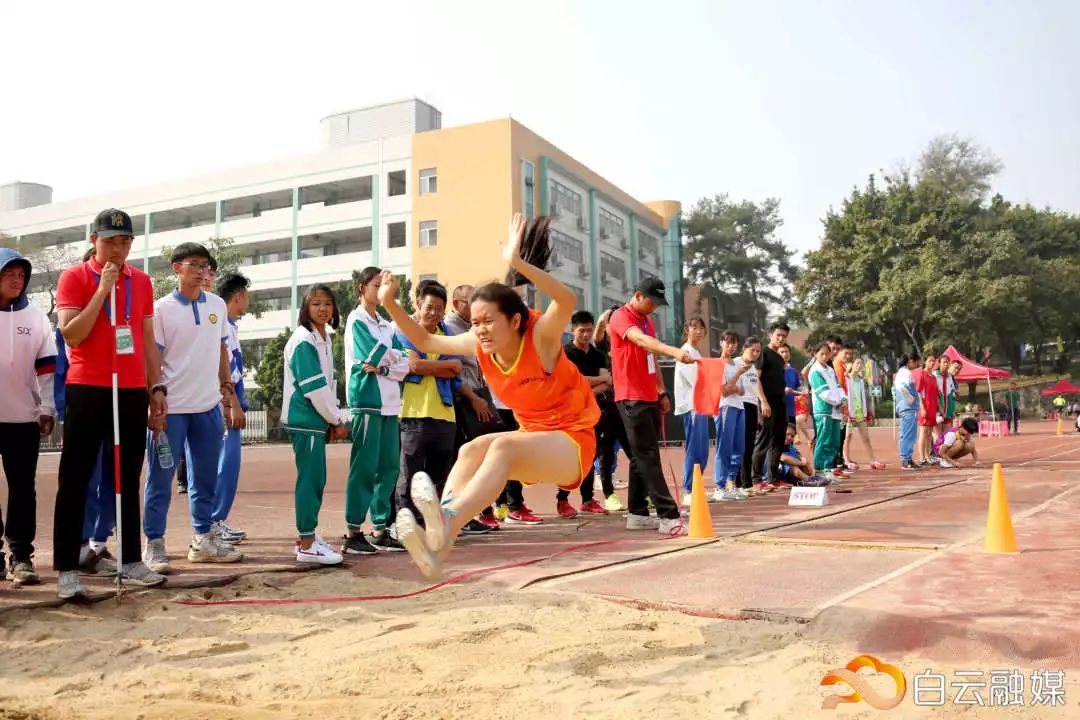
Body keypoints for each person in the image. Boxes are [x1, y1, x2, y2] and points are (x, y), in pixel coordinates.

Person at [378, 214, 613, 578]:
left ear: (515, 321)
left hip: (572, 443)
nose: (480, 330)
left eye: (488, 321)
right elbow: (425, 341)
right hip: (534, 436)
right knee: (471, 449)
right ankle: (440, 539)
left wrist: (518, 263)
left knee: (500, 448)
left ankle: (448, 519)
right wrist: (390, 303)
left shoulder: (541, 338)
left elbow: (567, 298)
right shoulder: (480, 344)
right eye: (475, 322)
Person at [54, 208, 166, 599]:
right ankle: (68, 567)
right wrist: (102, 290)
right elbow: (73, 335)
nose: (118, 248)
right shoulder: (74, 277)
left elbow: (147, 339)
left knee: (127, 475)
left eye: (125, 241)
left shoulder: (142, 281)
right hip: (88, 386)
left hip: (132, 387)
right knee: (76, 477)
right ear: (94, 241)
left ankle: (132, 559)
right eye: (110, 240)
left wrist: (156, 389)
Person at [142, 242, 241, 573]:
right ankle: (154, 543)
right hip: (171, 409)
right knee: (160, 478)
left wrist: (226, 392)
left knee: (204, 479)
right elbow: (152, 356)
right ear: (177, 268)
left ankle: (203, 540)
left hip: (207, 407)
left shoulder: (216, 305)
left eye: (205, 266)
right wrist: (155, 395)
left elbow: (222, 350)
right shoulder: (161, 309)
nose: (201, 271)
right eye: (194, 265)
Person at [606, 276, 691, 529]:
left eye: (657, 303)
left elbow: (650, 356)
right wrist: (676, 352)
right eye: (651, 301)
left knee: (640, 457)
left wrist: (661, 392)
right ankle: (668, 516)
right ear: (638, 295)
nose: (654, 307)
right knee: (648, 456)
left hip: (649, 396)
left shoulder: (647, 321)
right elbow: (642, 341)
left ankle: (638, 513)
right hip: (631, 397)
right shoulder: (621, 317)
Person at [343, 267, 411, 554]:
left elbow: (406, 363)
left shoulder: (386, 324)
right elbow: (370, 354)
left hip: (390, 403)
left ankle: (380, 530)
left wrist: (385, 367)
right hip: (366, 401)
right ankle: (353, 531)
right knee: (364, 468)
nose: (381, 292)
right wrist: (389, 360)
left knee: (389, 468)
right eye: (376, 285)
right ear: (362, 288)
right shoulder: (356, 319)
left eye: (385, 287)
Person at [0, 248, 57, 587]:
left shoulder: (35, 317)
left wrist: (47, 408)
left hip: (23, 418)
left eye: (21, 275)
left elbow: (48, 369)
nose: (16, 279)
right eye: (9, 273)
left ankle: (21, 556)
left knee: (23, 489)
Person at [393, 280, 465, 538]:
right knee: (409, 473)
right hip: (413, 412)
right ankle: (406, 526)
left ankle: (431, 525)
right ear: (417, 304)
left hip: (445, 414)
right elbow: (412, 366)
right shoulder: (404, 332)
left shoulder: (447, 336)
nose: (434, 313)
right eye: (429, 307)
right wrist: (437, 367)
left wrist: (426, 365)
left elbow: (457, 369)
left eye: (439, 308)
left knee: (439, 476)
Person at [284, 285, 348, 564]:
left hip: (316, 419)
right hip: (306, 418)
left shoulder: (323, 336)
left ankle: (307, 537)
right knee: (310, 481)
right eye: (316, 304)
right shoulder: (303, 340)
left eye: (328, 304)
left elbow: (328, 385)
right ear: (305, 308)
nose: (323, 309)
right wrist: (336, 418)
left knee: (315, 479)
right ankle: (307, 544)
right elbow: (315, 388)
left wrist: (332, 417)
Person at [445, 283, 505, 531]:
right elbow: (455, 371)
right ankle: (468, 513)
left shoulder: (474, 327)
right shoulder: (450, 329)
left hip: (479, 394)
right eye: (472, 302)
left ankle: (479, 511)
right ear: (458, 304)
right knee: (469, 457)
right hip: (465, 399)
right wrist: (474, 399)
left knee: (486, 454)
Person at [562, 311, 618, 514]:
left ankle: (587, 500)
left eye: (589, 330)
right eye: (581, 331)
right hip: (570, 412)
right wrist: (591, 383)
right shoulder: (565, 354)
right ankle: (562, 499)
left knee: (590, 454)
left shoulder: (596, 354)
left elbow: (608, 381)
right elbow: (573, 381)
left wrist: (585, 390)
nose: (586, 335)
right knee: (569, 456)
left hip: (593, 411)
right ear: (572, 330)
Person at [211, 272, 251, 545]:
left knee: (229, 465)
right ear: (238, 297)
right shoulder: (221, 322)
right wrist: (231, 401)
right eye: (246, 296)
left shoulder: (230, 324)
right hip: (223, 398)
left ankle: (216, 520)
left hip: (230, 395)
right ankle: (213, 521)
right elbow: (225, 367)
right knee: (224, 466)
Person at [713, 331, 753, 502]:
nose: (731, 347)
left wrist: (734, 385)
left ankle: (731, 484)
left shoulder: (736, 364)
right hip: (725, 408)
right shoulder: (717, 364)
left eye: (734, 344)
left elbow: (741, 390)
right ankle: (719, 487)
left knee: (738, 448)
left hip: (739, 406)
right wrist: (736, 378)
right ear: (721, 343)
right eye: (728, 343)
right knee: (724, 447)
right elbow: (723, 391)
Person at [674, 317, 710, 503]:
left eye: (700, 328)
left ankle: (696, 487)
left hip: (701, 405)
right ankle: (688, 490)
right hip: (691, 406)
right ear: (686, 330)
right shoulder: (685, 352)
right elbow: (695, 381)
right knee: (694, 449)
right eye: (693, 327)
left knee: (703, 450)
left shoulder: (697, 352)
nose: (697, 331)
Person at [751, 323, 790, 491]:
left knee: (778, 440)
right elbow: (756, 378)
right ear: (770, 335)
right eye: (778, 335)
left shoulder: (779, 357)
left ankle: (773, 478)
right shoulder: (763, 354)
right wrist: (763, 401)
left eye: (784, 336)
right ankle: (756, 479)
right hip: (767, 403)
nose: (781, 339)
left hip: (780, 403)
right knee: (764, 439)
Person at [808, 342, 846, 482]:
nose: (824, 356)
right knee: (823, 440)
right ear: (815, 354)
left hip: (835, 411)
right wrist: (837, 401)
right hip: (823, 410)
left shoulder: (830, 370)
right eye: (821, 354)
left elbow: (838, 387)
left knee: (834, 441)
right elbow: (822, 392)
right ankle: (819, 470)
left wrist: (843, 399)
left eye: (826, 353)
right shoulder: (815, 371)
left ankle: (828, 469)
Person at [843, 357, 885, 470]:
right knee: (847, 438)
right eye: (857, 363)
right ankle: (846, 460)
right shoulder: (846, 378)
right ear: (852, 364)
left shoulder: (861, 380)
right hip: (850, 414)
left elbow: (863, 397)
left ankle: (872, 460)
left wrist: (868, 412)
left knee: (866, 438)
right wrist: (846, 411)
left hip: (860, 413)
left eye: (861, 364)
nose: (858, 366)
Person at [893, 354, 921, 471]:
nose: (917, 364)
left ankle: (907, 458)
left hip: (905, 406)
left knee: (908, 434)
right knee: (908, 434)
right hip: (908, 407)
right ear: (910, 362)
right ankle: (906, 459)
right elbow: (902, 388)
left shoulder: (901, 373)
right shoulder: (906, 373)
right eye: (916, 362)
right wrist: (911, 399)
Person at [912, 352, 940, 465]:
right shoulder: (921, 374)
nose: (932, 363)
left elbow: (936, 394)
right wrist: (922, 408)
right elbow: (918, 392)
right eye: (930, 361)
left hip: (932, 407)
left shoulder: (933, 376)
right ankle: (921, 457)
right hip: (925, 406)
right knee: (923, 432)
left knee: (929, 433)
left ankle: (928, 455)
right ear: (925, 362)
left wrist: (938, 408)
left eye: (934, 361)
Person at [780, 344, 802, 426]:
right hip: (780, 410)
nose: (785, 354)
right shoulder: (774, 370)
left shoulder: (794, 371)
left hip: (793, 410)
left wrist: (803, 391)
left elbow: (798, 388)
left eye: (786, 352)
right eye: (782, 352)